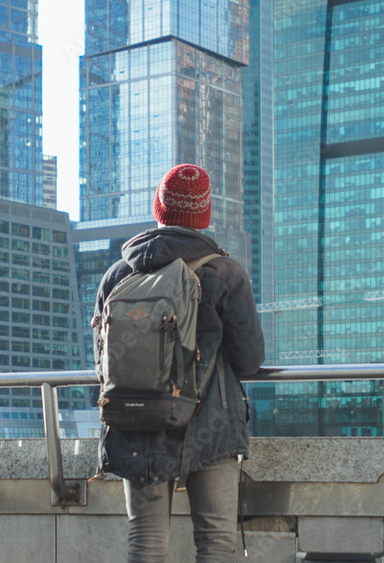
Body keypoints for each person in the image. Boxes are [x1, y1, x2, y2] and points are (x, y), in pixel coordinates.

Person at [93, 163, 265, 562]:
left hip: (135, 420)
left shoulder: (118, 274)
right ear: (203, 216)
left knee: (145, 544)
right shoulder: (225, 272)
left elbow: (103, 363)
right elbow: (249, 361)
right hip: (211, 425)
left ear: (160, 208)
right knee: (216, 543)